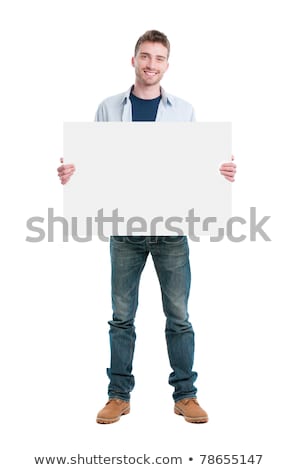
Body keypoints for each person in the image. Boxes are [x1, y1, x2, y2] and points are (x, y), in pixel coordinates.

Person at [58, 30, 236, 424]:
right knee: (122, 316)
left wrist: (219, 172)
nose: (151, 64)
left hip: (171, 228)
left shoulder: (183, 110)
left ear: (166, 65)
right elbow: (93, 165)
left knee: (179, 316)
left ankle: (185, 395)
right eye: (145, 56)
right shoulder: (108, 108)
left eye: (158, 58)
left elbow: (196, 166)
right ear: (133, 60)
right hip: (125, 229)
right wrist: (73, 173)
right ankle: (118, 396)